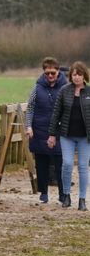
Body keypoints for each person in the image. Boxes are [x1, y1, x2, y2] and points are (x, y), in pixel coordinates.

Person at [48, 61, 90, 210]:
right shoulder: (64, 91)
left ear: (84, 75)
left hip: (85, 138)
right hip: (67, 135)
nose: (77, 77)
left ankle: (82, 199)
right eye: (74, 74)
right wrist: (52, 134)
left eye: (79, 74)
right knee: (67, 164)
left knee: (84, 167)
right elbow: (56, 114)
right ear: (70, 76)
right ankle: (66, 195)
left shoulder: (89, 92)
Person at [25, 58, 66, 204]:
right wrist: (28, 126)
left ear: (58, 72)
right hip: (39, 130)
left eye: (52, 73)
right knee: (41, 163)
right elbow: (30, 108)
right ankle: (43, 193)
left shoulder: (65, 87)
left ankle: (63, 194)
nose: (50, 76)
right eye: (47, 73)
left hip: (60, 131)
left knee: (60, 164)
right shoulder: (37, 88)